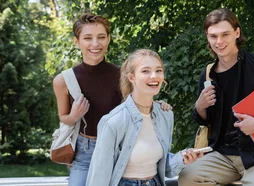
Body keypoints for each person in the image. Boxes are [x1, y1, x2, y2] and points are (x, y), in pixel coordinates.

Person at [179, 8, 254, 186]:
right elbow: (205, 121)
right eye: (213, 36)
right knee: (187, 177)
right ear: (207, 37)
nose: (219, 42)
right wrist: (200, 107)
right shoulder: (208, 74)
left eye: (225, 34)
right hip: (221, 157)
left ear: (237, 32)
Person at [51, 13, 171, 186]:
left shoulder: (121, 76)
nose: (95, 44)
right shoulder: (63, 81)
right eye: (87, 38)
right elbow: (63, 117)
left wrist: (159, 106)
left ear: (108, 39)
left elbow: (139, 104)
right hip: (85, 152)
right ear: (76, 41)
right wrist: (74, 116)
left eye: (101, 37)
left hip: (120, 150)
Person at [86, 49, 202, 186]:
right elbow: (99, 175)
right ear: (131, 77)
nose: (154, 76)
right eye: (145, 71)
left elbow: (162, 168)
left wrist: (182, 159)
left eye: (158, 70)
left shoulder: (165, 115)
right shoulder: (113, 122)